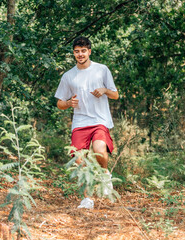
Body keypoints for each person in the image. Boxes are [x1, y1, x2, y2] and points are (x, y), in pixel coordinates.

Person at [54, 36, 119, 209]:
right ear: (73, 54)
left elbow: (115, 94)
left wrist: (105, 90)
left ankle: (105, 175)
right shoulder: (68, 76)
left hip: (99, 119)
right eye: (77, 51)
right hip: (80, 122)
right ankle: (87, 199)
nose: (80, 54)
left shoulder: (102, 70)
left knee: (99, 151)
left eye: (83, 51)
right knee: (80, 161)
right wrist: (68, 103)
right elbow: (60, 103)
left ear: (89, 51)